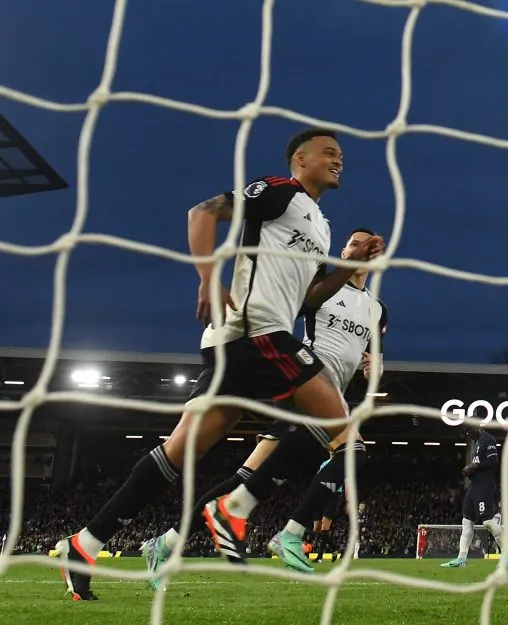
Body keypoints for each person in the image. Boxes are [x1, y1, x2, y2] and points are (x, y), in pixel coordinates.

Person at [55, 128, 383, 601]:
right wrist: (208, 277)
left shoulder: (321, 225)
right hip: (258, 334)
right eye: (329, 152)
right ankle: (236, 508)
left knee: (177, 455)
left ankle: (83, 545)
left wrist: (347, 271)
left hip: (242, 341)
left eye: (342, 155)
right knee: (347, 439)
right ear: (300, 159)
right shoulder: (279, 192)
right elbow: (202, 213)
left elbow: (309, 297)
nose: (339, 160)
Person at [140, 228, 387, 586]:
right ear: (344, 252)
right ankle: (291, 533)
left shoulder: (377, 311)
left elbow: (373, 360)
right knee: (352, 451)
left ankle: (165, 544)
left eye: (369, 245)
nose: (361, 249)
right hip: (305, 386)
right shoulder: (324, 287)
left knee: (246, 477)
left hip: (333, 397)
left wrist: (374, 369)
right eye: (353, 243)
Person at [440, 422, 508, 569]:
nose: (468, 435)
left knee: (487, 522)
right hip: (474, 487)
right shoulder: (477, 443)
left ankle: (506, 553)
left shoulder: (488, 439)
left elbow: (493, 461)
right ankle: (461, 559)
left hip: (485, 486)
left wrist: (473, 466)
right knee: (466, 521)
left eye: (468, 432)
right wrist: (471, 471)